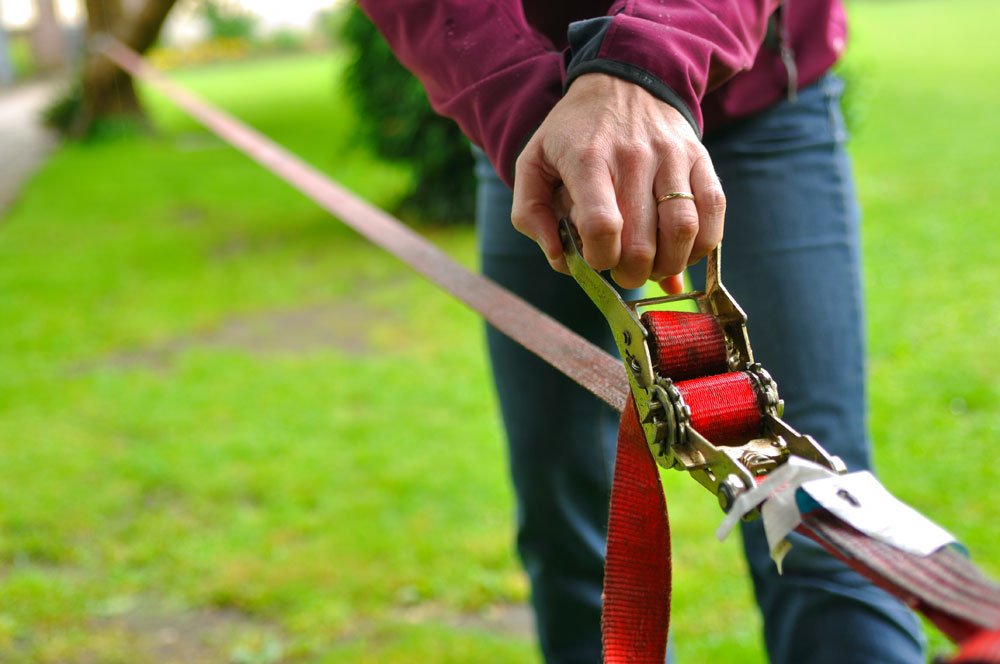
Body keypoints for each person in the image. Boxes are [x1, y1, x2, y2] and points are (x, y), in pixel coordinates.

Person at [359, 2, 926, 662]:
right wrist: (529, 101)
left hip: (757, 100)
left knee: (819, 517)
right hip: (538, 131)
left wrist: (645, 65)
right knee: (578, 542)